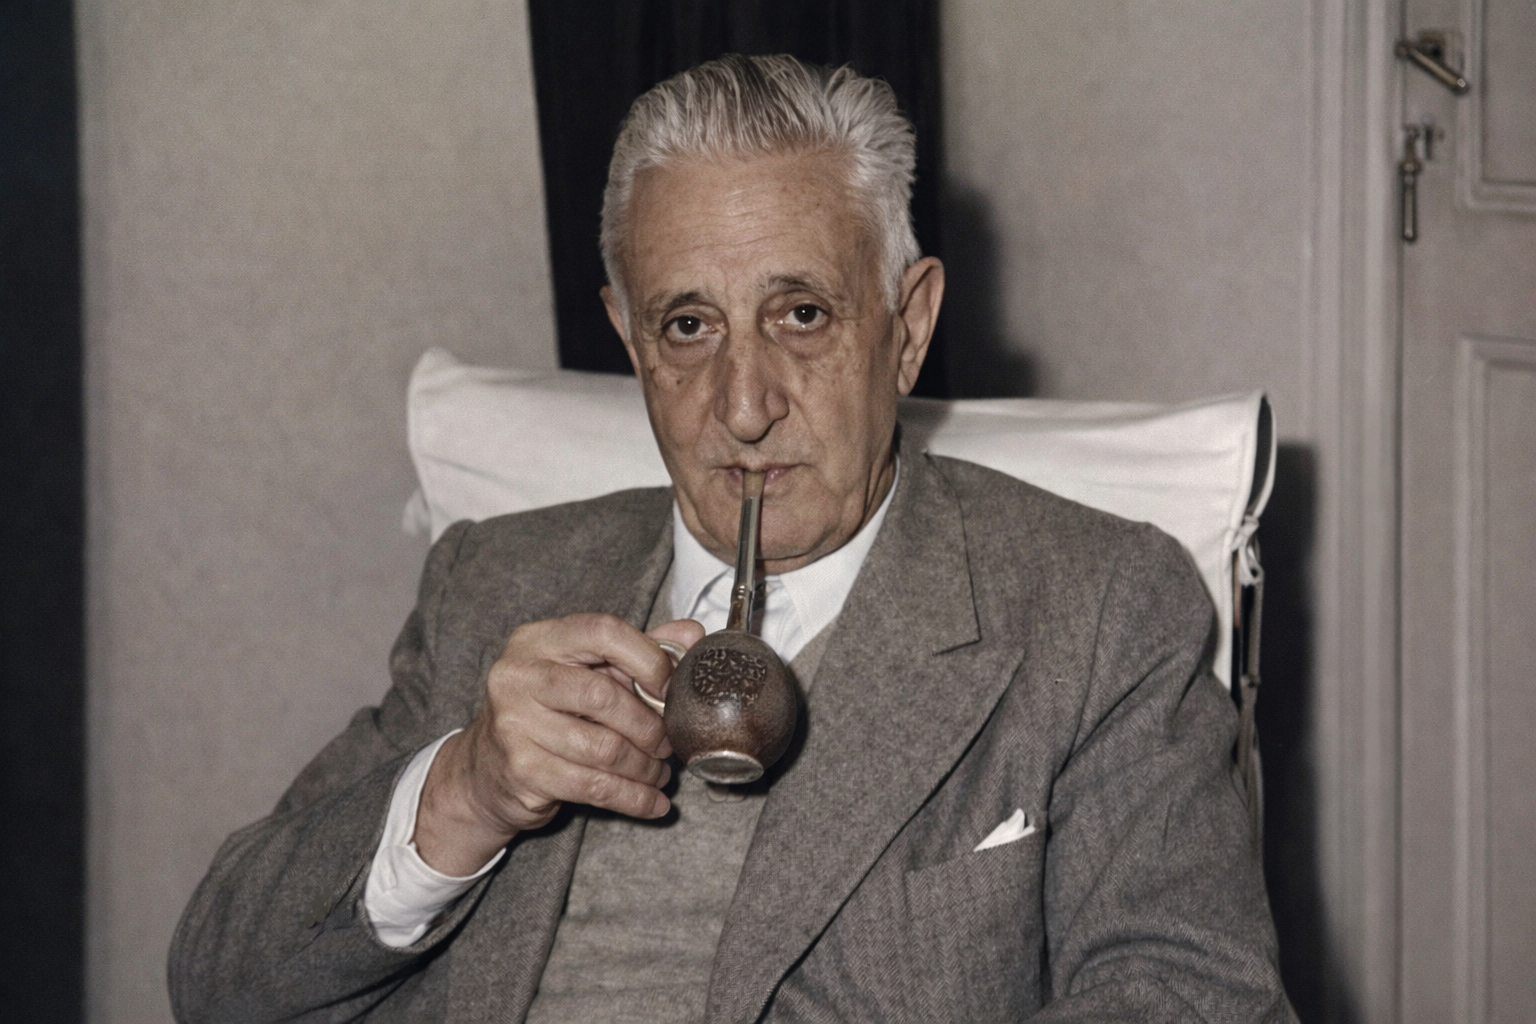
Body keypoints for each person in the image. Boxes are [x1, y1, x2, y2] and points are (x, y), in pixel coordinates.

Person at [169, 54, 1295, 1023]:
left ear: (907, 329)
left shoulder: (1096, 607)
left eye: (801, 315)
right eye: (688, 325)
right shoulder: (493, 581)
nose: (744, 407)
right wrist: (465, 791)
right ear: (629, 340)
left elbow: (1196, 996)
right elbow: (216, 978)